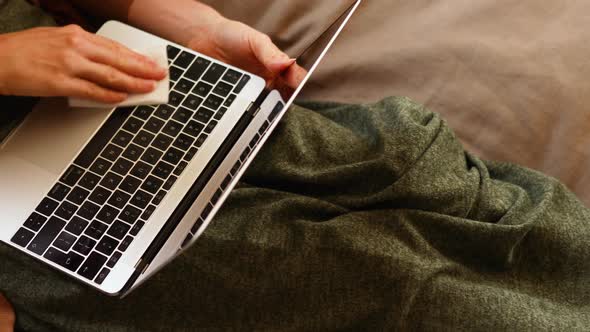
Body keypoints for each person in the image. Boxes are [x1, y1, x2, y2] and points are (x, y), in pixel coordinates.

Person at [2, 1, 590, 331]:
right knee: (367, 277)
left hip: (93, 73)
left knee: (401, 162)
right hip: (26, 223)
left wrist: (204, 30)